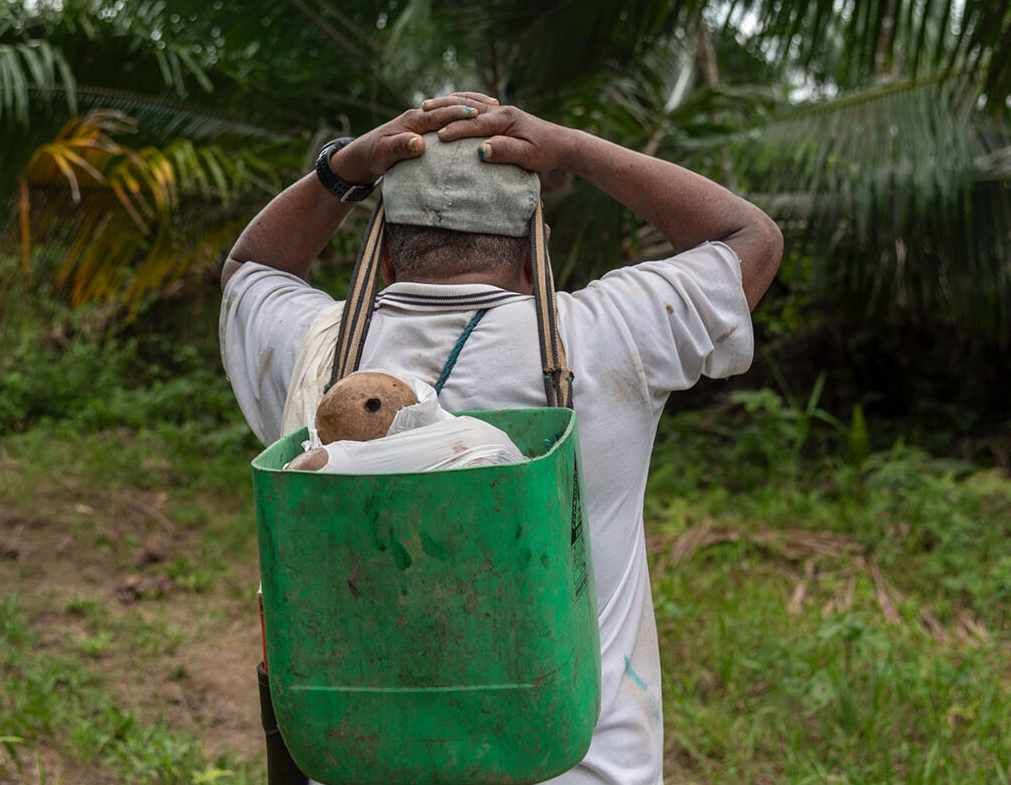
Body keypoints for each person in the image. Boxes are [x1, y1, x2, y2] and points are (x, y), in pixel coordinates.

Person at [220, 92, 783, 785]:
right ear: (532, 255)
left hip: (368, 765)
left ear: (388, 259)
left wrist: (342, 169)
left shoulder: (322, 357)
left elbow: (250, 269)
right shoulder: (611, 338)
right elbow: (751, 237)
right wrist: (574, 148)